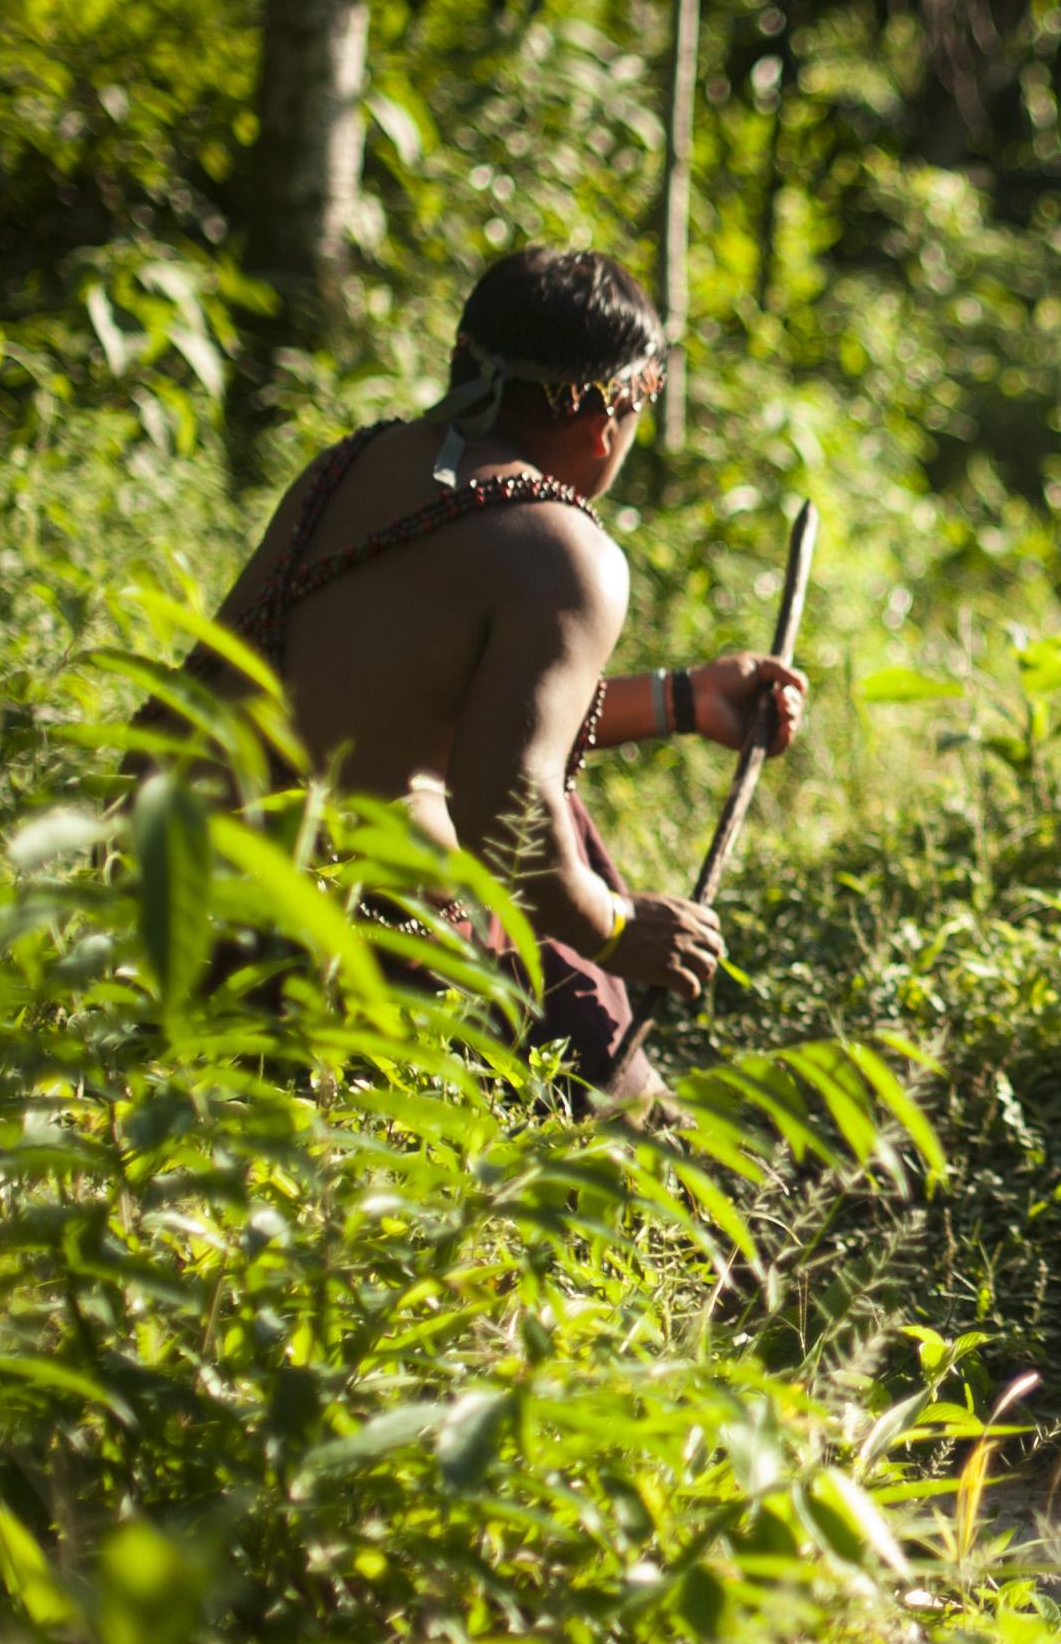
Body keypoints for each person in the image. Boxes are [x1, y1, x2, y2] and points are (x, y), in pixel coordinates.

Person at [202, 249, 807, 1104]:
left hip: (175, 884)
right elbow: (508, 813)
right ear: (607, 424)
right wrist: (618, 928)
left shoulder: (350, 464)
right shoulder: (567, 550)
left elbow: (418, 704)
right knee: (559, 865)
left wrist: (683, 699)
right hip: (325, 943)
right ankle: (645, 1166)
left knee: (560, 825)